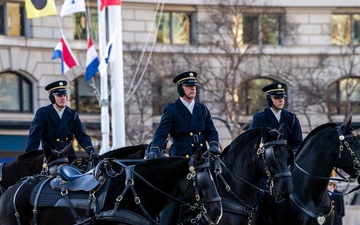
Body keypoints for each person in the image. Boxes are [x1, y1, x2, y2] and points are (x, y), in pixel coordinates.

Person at [146, 71, 220, 159]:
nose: (192, 88)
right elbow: (161, 133)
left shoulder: (202, 109)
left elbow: (211, 131)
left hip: (201, 157)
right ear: (180, 89)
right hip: (180, 157)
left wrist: (214, 145)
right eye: (188, 86)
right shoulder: (172, 109)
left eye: (194, 86)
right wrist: (154, 150)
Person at [25, 80, 99, 162]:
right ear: (52, 98)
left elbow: (81, 135)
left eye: (64, 95)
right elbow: (34, 137)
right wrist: (28, 158)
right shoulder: (43, 113)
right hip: (50, 156)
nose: (63, 98)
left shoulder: (72, 114)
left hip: (69, 155)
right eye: (59, 95)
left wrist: (91, 151)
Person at [249, 82, 303, 153]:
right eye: (277, 97)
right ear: (269, 99)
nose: (281, 100)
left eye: (282, 97)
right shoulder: (260, 118)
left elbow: (298, 143)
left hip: (288, 160)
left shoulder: (292, 119)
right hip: (267, 161)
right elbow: (251, 141)